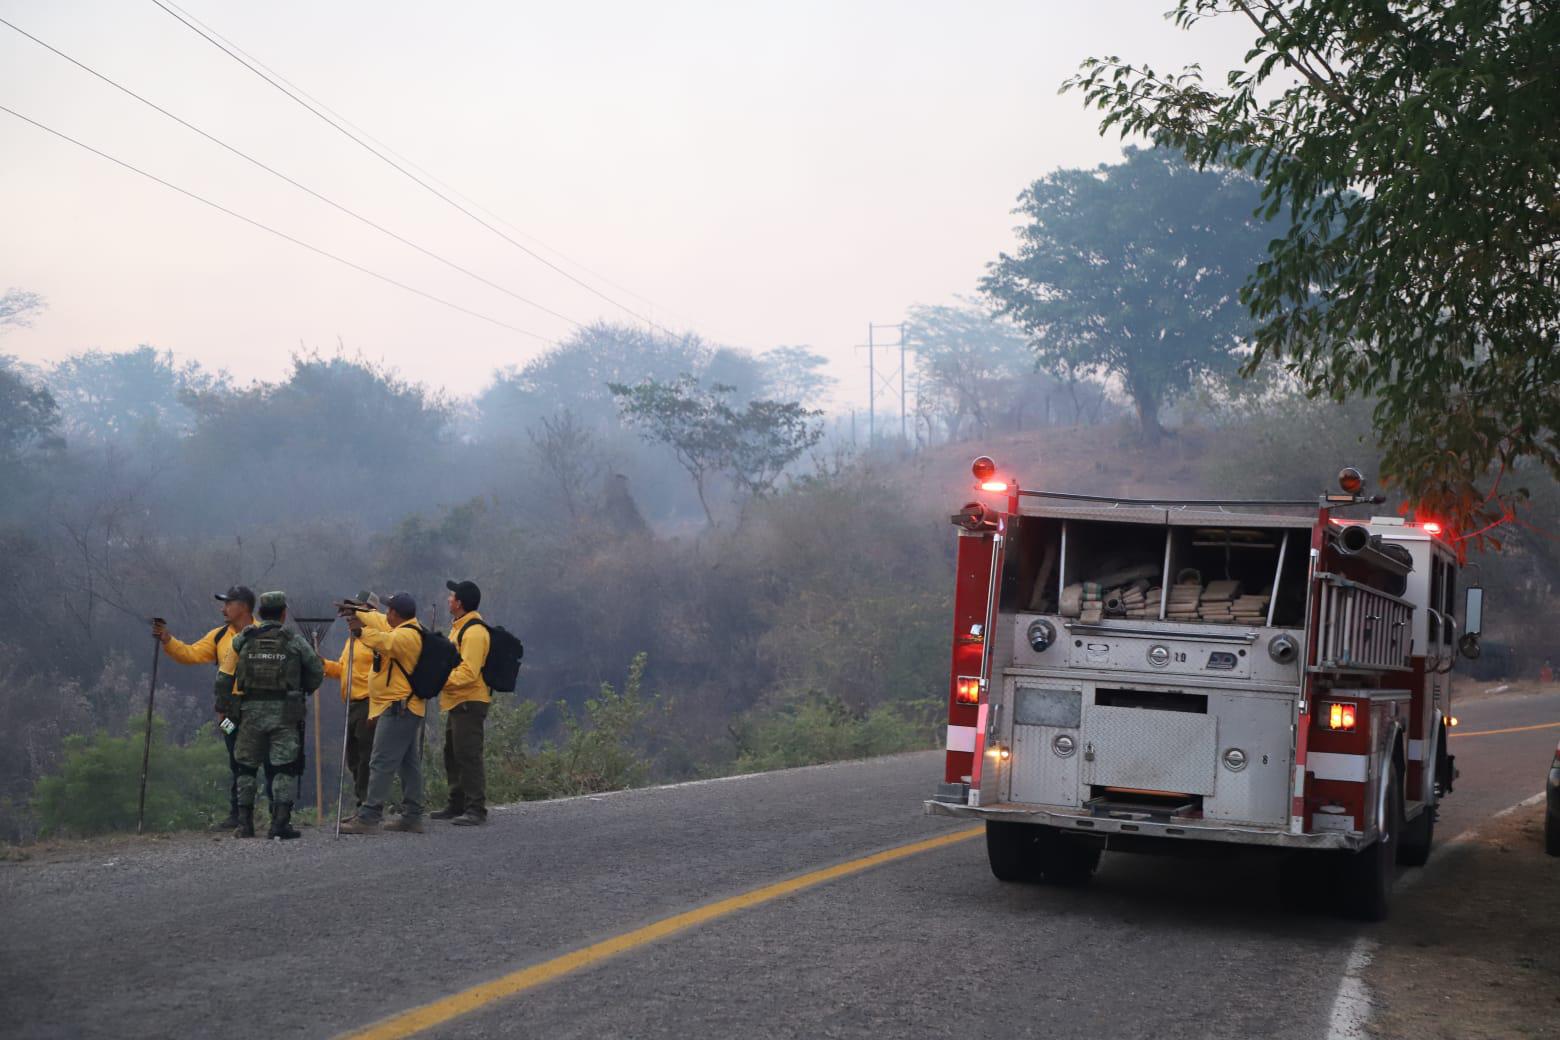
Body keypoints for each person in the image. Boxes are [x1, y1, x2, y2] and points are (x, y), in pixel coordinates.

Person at [153, 585, 278, 830]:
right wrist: (168, 640)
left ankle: (278, 813)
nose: (223, 609)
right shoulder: (219, 636)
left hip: (263, 710)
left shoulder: (267, 633)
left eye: (228, 603)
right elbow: (191, 654)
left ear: (242, 606)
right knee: (236, 760)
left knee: (271, 759)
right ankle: (239, 815)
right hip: (230, 713)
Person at [230, 591, 324, 839]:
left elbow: (228, 665)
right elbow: (316, 669)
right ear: (283, 613)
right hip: (284, 712)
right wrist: (302, 689)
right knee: (285, 767)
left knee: (246, 768)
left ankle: (244, 824)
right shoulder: (292, 639)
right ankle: (280, 824)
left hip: (249, 711)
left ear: (260, 613)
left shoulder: (245, 638)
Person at [340, 592, 427, 835]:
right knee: (408, 764)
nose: (385, 614)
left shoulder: (407, 636)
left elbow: (383, 642)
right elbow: (378, 621)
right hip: (403, 707)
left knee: (380, 760)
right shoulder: (404, 626)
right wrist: (355, 612)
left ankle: (369, 816)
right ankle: (412, 815)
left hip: (398, 707)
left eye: (389, 611)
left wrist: (360, 631)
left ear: (397, 614)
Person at [432, 579, 491, 826]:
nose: (449, 599)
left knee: (468, 754)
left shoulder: (475, 632)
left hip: (470, 701)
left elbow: (468, 672)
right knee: (452, 753)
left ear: (460, 603)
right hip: (457, 701)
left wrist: (438, 680)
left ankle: (476, 808)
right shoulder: (459, 627)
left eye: (452, 596)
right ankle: (457, 803)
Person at [323, 591, 382, 810]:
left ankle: (369, 805)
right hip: (352, 703)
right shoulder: (352, 640)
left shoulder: (377, 638)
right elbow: (343, 669)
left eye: (356, 610)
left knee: (367, 756)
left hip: (369, 702)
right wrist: (322, 665)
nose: (350, 615)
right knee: (354, 756)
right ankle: (362, 801)